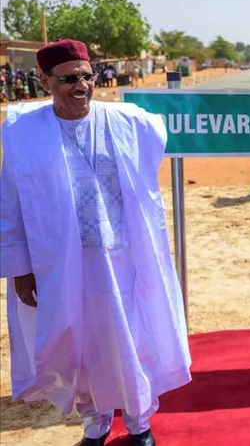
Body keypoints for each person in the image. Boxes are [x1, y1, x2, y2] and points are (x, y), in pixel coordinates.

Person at [1, 39, 191, 446]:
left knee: (131, 340)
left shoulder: (124, 121)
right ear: (44, 80)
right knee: (81, 346)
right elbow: (11, 201)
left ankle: (140, 425)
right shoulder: (23, 133)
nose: (82, 86)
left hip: (123, 258)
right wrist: (19, 268)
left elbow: (159, 134)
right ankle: (95, 424)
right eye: (69, 79)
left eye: (88, 76)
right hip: (63, 264)